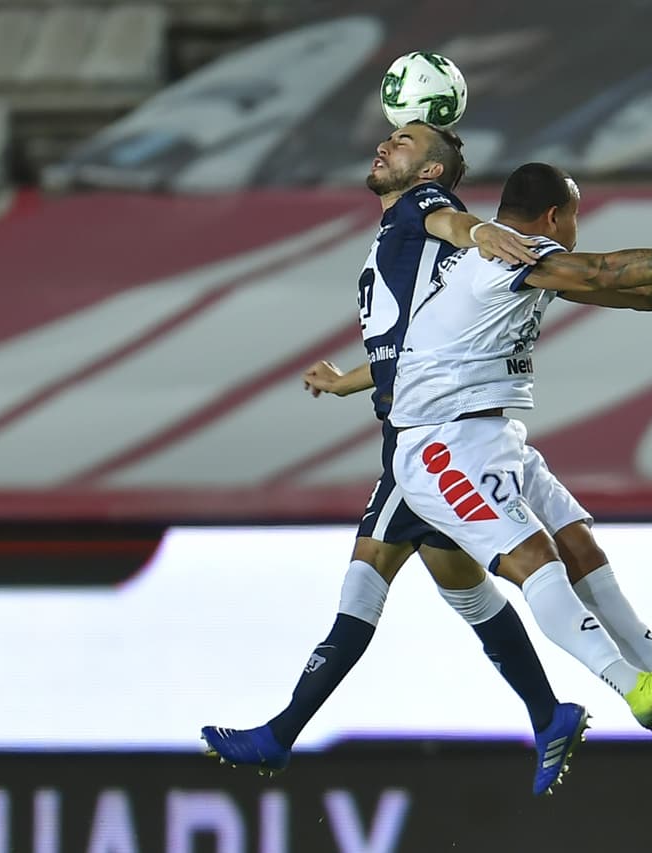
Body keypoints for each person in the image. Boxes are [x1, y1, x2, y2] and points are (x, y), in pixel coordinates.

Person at [203, 122, 585, 797]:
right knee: (463, 588)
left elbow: (452, 223)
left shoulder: (419, 210)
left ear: (431, 171)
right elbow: (402, 350)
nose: (385, 146)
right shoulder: (397, 240)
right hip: (416, 427)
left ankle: (280, 735)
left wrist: (479, 232)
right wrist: (344, 380)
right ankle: (548, 713)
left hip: (422, 445)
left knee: (365, 579)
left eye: (403, 141)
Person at [388, 162, 652, 748]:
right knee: (538, 560)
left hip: (493, 435)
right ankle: (631, 686)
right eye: (575, 213)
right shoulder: (505, 256)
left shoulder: (524, 259)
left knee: (579, 546)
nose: (577, 225)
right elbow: (604, 268)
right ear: (554, 216)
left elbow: (629, 294)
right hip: (439, 442)